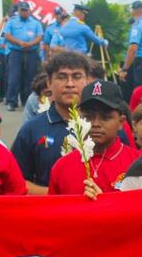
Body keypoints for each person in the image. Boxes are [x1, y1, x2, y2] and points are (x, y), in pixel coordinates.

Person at [12, 52, 90, 194]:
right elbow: (16, 181)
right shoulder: (31, 129)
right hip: (47, 212)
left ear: (87, 81)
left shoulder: (100, 127)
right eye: (62, 77)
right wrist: (55, 194)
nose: (70, 84)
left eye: (77, 77)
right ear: (49, 83)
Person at [49, 79, 139, 196]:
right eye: (88, 117)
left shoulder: (137, 163)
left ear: (121, 122)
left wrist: (104, 204)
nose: (95, 123)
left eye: (105, 117)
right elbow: (54, 211)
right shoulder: (62, 167)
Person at [3, 2, 42, 110]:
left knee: (30, 78)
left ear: (29, 11)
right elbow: (7, 35)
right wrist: (19, 42)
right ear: (19, 11)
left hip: (31, 53)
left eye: (26, 10)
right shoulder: (12, 22)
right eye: (22, 10)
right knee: (14, 77)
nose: (24, 12)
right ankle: (12, 101)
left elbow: (39, 37)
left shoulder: (35, 23)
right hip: (16, 52)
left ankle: (27, 101)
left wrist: (30, 44)